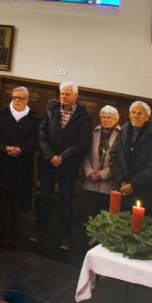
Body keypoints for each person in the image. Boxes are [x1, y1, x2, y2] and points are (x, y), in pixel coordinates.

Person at [34, 82, 91, 249]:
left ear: (75, 96)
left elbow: (83, 142)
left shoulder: (83, 115)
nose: (63, 97)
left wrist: (63, 157)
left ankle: (65, 235)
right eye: (61, 94)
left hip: (68, 165)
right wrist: (51, 155)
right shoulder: (51, 109)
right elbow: (41, 134)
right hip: (49, 162)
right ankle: (39, 230)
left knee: (66, 201)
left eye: (67, 94)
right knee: (44, 197)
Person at [0, 87, 40, 242]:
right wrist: (4, 148)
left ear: (27, 100)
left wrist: (22, 150)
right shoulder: (1, 113)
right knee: (3, 195)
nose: (17, 100)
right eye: (15, 97)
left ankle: (15, 225)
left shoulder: (34, 118)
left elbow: (36, 138)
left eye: (21, 98)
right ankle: (1, 223)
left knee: (18, 195)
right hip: (3, 161)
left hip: (22, 163)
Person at [111, 101, 152, 211]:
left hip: (142, 191)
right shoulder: (123, 130)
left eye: (139, 113)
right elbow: (113, 156)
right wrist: (121, 181)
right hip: (121, 187)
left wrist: (133, 185)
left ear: (147, 117)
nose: (135, 115)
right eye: (133, 112)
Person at [82, 106, 122, 214]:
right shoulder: (94, 132)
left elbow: (120, 161)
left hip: (109, 185)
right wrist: (90, 172)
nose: (106, 120)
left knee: (104, 216)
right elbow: (85, 154)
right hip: (90, 182)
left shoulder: (121, 135)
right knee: (87, 215)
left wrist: (103, 174)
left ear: (116, 119)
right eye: (103, 117)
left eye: (109, 117)